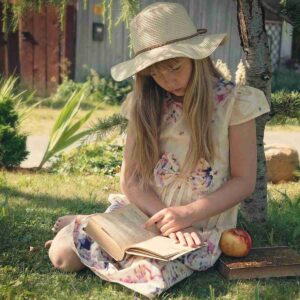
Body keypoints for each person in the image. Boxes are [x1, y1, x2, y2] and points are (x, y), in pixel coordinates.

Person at [45, 2, 270, 298]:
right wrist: (166, 217)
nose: (167, 80)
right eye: (155, 73)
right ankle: (90, 223)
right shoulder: (145, 105)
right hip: (147, 213)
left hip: (197, 225)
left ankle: (87, 222)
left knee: (152, 275)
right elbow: (132, 180)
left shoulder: (236, 104)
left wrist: (186, 215)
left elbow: (243, 181)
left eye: (174, 68)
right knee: (63, 257)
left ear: (197, 57)